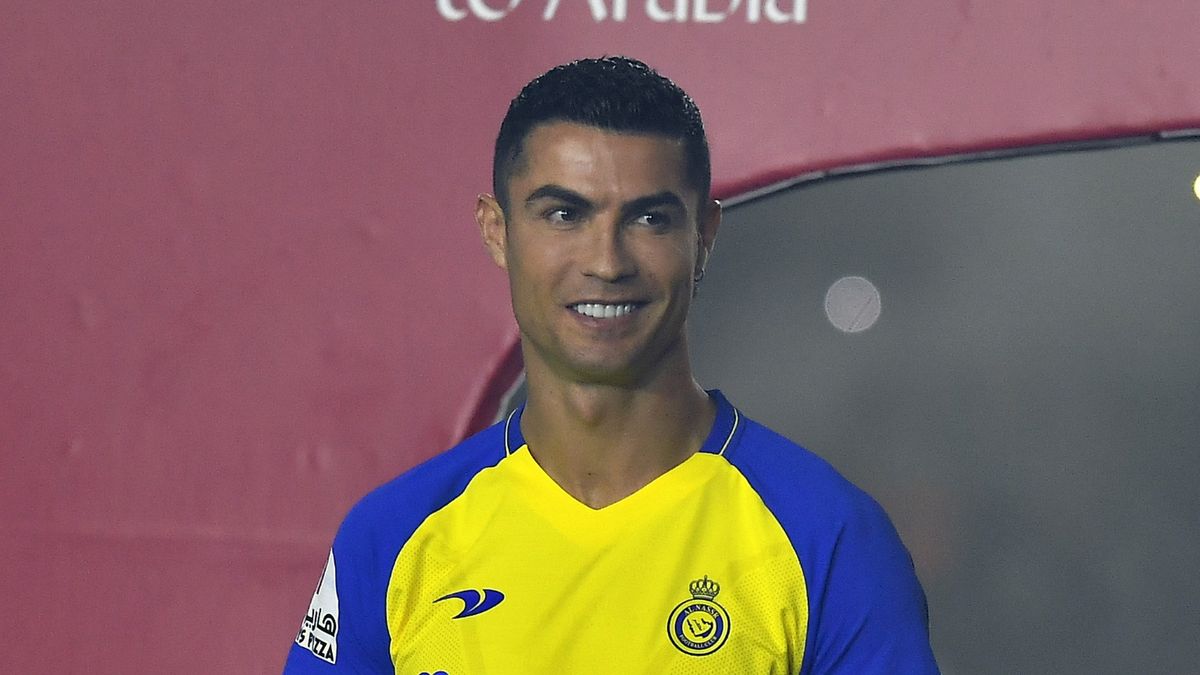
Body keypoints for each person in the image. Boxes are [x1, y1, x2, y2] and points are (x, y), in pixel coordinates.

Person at [283, 55, 939, 674]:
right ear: (496, 230)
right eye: (564, 214)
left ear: (703, 238)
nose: (607, 260)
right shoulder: (395, 537)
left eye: (649, 218)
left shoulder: (827, 539)